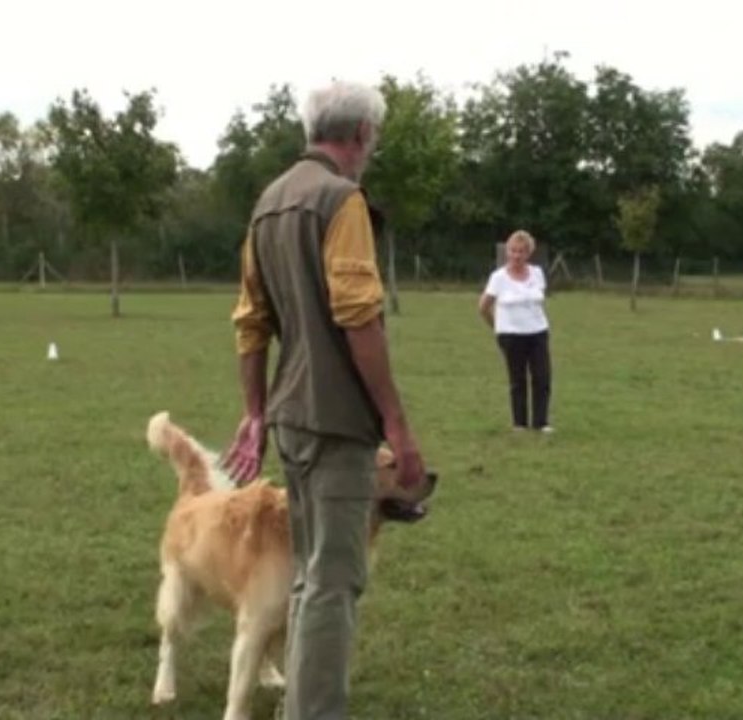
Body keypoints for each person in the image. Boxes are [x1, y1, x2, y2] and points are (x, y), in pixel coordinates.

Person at [220, 79, 427, 720]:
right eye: (374, 138)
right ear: (361, 134)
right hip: (336, 423)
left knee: (311, 577)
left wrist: (256, 412)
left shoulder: (269, 202)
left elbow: (250, 321)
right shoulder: (342, 201)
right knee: (334, 584)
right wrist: (396, 423)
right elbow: (358, 315)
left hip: (290, 418)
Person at [479, 229, 553, 433]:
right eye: (513, 251)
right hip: (511, 335)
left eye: (521, 251)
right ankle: (519, 423)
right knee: (517, 379)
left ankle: (541, 422)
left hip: (538, 331)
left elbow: (538, 300)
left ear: (528, 253)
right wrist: (497, 327)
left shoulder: (537, 273)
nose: (516, 256)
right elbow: (483, 307)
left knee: (542, 377)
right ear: (507, 252)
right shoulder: (498, 277)